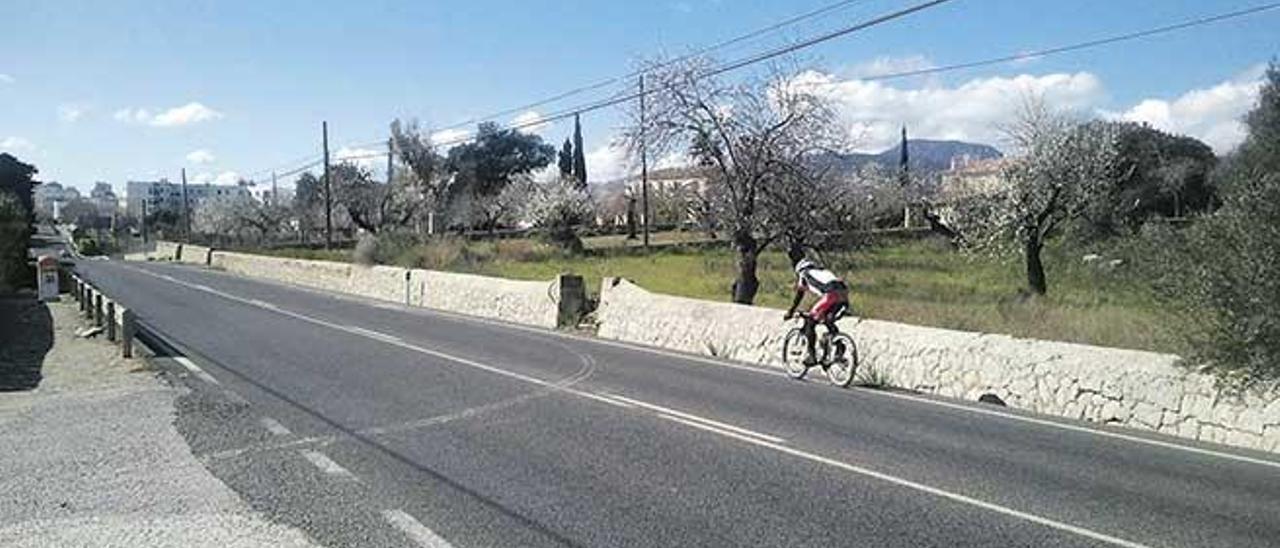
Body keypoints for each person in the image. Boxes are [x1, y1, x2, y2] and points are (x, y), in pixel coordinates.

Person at [783, 258, 850, 366]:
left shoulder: (804, 273)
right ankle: (839, 346)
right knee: (828, 320)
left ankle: (812, 356)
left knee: (810, 322)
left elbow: (799, 294)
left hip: (830, 294)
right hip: (844, 295)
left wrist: (791, 311)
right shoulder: (824, 272)